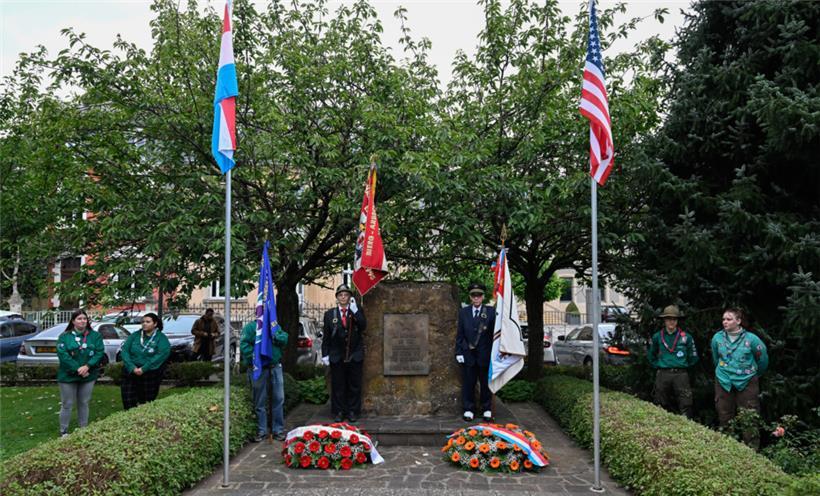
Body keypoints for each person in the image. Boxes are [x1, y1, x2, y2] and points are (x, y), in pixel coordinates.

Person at [711, 307, 769, 448]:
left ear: (738, 321)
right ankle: (727, 449)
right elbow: (715, 358)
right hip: (724, 381)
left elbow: (763, 360)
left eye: (729, 319)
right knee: (724, 415)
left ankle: (751, 451)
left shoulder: (752, 339)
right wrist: (722, 372)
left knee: (749, 417)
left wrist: (754, 374)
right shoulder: (717, 338)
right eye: (724, 319)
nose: (725, 322)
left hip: (747, 381)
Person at [321, 284, 367, 423]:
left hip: (354, 354)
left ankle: (353, 411)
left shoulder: (356, 310)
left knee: (354, 385)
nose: (343, 297)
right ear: (337, 297)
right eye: (340, 295)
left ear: (349, 297)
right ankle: (339, 411)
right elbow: (327, 336)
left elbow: (363, 326)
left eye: (346, 295)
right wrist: (325, 354)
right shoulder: (330, 314)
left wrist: (355, 312)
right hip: (337, 354)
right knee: (338, 385)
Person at [56, 309, 105, 437]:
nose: (82, 321)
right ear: (73, 321)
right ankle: (64, 431)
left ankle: (83, 428)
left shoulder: (95, 336)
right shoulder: (64, 337)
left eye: (84, 318)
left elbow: (99, 352)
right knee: (67, 403)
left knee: (83, 402)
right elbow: (63, 355)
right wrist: (79, 369)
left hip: (88, 375)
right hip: (68, 376)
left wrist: (87, 366)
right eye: (79, 319)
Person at [240, 318, 289, 442]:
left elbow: (284, 339)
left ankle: (278, 429)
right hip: (258, 368)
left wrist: (275, 336)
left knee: (278, 398)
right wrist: (257, 357)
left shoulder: (274, 326)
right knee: (259, 400)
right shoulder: (250, 327)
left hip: (274, 367)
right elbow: (244, 346)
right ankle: (262, 430)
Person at [455, 283, 496, 422]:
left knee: (485, 384)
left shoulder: (490, 312)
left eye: (479, 295)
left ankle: (487, 409)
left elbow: (495, 334)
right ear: (470, 297)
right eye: (474, 295)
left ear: (483, 297)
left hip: (485, 354)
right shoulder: (464, 312)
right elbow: (460, 334)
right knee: (468, 383)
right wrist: (459, 352)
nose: (476, 298)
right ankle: (469, 409)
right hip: (468, 354)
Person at [647, 305, 698, 418]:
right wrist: (659, 365)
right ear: (664, 320)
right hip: (663, 373)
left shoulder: (686, 337)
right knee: (660, 402)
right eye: (668, 319)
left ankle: (688, 427)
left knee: (686, 403)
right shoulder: (657, 337)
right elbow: (651, 355)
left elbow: (693, 356)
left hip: (681, 374)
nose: (671, 322)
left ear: (677, 320)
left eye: (674, 319)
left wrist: (683, 365)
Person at [120, 312, 171, 410]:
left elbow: (161, 355)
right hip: (131, 371)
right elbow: (125, 351)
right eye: (143, 321)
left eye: (148, 322)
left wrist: (144, 368)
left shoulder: (161, 338)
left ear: (155, 324)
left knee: (147, 402)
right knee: (128, 400)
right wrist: (132, 367)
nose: (144, 324)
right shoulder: (135, 336)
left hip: (150, 373)